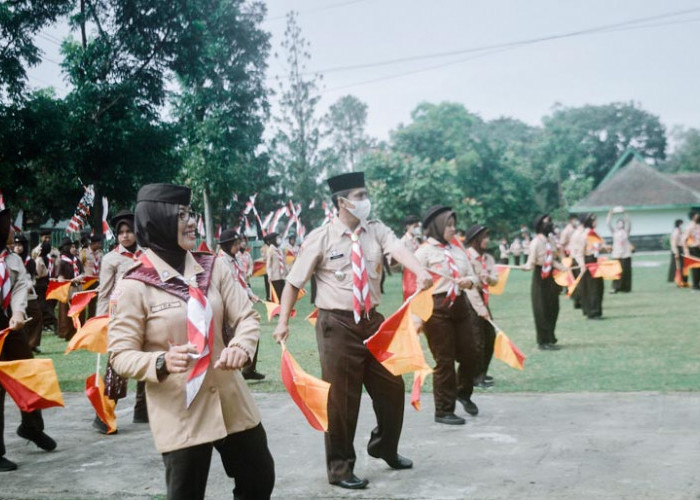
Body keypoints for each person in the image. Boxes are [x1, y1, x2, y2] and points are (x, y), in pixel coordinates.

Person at [108, 183, 274, 500]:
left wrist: (241, 346)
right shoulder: (134, 286)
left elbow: (246, 318)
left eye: (191, 213)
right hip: (180, 409)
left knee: (259, 479)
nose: (191, 221)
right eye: (181, 214)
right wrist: (159, 361)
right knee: (186, 494)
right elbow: (120, 354)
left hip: (230, 399)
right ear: (157, 219)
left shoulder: (214, 268)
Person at [273, 172, 432, 490]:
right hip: (338, 325)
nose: (365, 200)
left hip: (373, 322)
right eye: (360, 196)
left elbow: (398, 249)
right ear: (342, 201)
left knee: (392, 388)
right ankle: (340, 467)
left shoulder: (376, 230)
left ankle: (384, 445)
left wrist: (420, 270)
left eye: (365, 195)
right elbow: (293, 282)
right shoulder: (322, 237)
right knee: (342, 401)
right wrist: (282, 321)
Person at [1, 206, 57, 472]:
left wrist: (19, 311)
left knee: (27, 371)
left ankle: (31, 427)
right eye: (6, 224)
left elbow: (22, 284)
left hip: (9, 323)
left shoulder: (10, 259)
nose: (10, 229)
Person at [415, 207, 480, 425]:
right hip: (436, 309)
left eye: (454, 224)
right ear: (437, 226)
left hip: (460, 305)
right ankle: (443, 410)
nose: (453, 229)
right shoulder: (423, 253)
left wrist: (469, 281)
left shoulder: (458, 251)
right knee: (444, 360)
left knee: (472, 353)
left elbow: (473, 276)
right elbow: (413, 287)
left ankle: (463, 392)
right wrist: (417, 320)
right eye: (448, 224)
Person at [92, 210, 148, 434]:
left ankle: (142, 410)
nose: (125, 236)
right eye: (121, 233)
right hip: (120, 316)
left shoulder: (148, 254)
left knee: (148, 359)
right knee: (118, 364)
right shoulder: (111, 258)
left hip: (146, 313)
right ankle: (103, 415)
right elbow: (104, 293)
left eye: (129, 231)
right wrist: (101, 319)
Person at [218, 229, 264, 381]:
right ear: (226, 245)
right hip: (230, 306)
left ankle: (249, 369)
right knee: (232, 339)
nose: (238, 247)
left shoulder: (236, 259)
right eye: (235, 244)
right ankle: (234, 373)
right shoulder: (220, 262)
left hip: (243, 302)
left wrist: (251, 295)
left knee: (252, 332)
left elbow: (242, 281)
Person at [521, 214, 567, 349]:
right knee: (541, 309)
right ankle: (543, 341)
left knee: (553, 307)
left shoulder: (550, 241)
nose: (550, 224)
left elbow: (551, 259)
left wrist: (562, 267)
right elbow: (531, 261)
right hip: (539, 276)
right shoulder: (536, 242)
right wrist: (527, 267)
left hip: (550, 277)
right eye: (547, 222)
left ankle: (551, 337)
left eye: (550, 222)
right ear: (540, 225)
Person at [464, 224, 500, 389]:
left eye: (487, 236)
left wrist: (488, 278)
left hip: (484, 301)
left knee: (490, 337)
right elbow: (470, 289)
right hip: (470, 303)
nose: (487, 240)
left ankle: (482, 372)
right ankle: (475, 376)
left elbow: (495, 278)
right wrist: (481, 310)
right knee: (477, 341)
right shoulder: (467, 258)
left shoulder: (488, 258)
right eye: (484, 237)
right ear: (475, 240)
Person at [12, 234, 43, 353]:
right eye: (16, 245)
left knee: (37, 316)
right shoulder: (11, 259)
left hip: (29, 293)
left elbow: (31, 277)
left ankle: (32, 343)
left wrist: (27, 287)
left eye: (20, 245)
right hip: (13, 295)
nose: (18, 248)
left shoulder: (29, 261)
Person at [53, 237, 83, 341]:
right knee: (66, 311)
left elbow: (82, 272)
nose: (75, 249)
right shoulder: (61, 261)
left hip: (78, 287)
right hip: (67, 289)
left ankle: (78, 330)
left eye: (75, 246)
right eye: (72, 247)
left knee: (79, 310)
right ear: (66, 248)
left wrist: (79, 277)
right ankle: (67, 333)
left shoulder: (76, 260)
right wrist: (67, 281)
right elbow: (59, 276)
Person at [577, 214, 606, 319]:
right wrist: (582, 265)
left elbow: (599, 246)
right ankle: (592, 312)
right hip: (588, 262)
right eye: (594, 220)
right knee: (591, 288)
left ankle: (597, 310)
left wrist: (606, 248)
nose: (596, 222)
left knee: (598, 287)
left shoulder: (594, 234)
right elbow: (580, 252)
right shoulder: (584, 234)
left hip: (595, 261)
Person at [607, 208, 632, 293]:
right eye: (618, 223)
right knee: (616, 272)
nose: (620, 224)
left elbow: (629, 222)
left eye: (621, 223)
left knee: (625, 272)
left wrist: (625, 213)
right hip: (616, 254)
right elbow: (608, 224)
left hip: (625, 254)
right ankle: (615, 287)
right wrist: (610, 214)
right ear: (616, 225)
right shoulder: (614, 232)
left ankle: (625, 288)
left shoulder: (626, 232)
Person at [264, 232, 286, 302]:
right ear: (273, 240)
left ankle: (282, 311)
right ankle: (277, 311)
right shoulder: (270, 250)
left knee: (283, 296)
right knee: (276, 296)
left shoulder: (279, 250)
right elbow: (269, 265)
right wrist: (269, 276)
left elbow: (283, 262)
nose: (278, 240)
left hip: (281, 277)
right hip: (274, 277)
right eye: (277, 238)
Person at [682, 211, 700, 290]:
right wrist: (686, 251)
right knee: (696, 267)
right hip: (693, 249)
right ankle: (695, 286)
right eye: (697, 215)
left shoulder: (697, 226)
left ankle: (697, 284)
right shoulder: (689, 227)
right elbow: (684, 240)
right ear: (693, 217)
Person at [668, 219, 687, 285]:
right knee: (677, 265)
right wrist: (676, 252)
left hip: (680, 248)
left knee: (680, 265)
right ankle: (676, 279)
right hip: (677, 249)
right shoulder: (676, 231)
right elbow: (674, 242)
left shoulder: (679, 230)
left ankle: (680, 279)